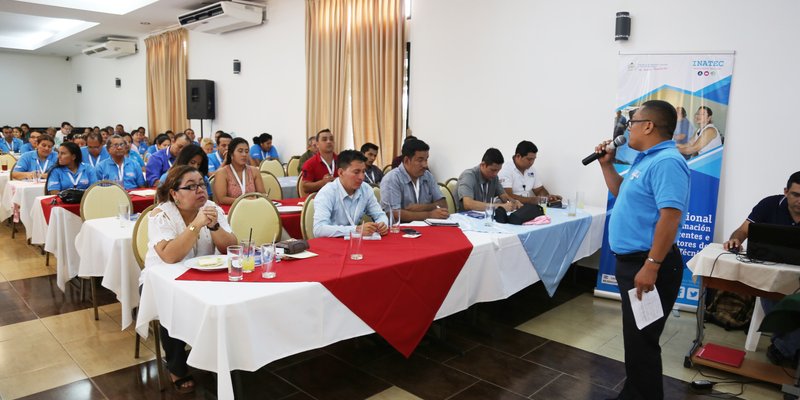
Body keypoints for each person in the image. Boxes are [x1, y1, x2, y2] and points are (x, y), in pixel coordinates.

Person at [594, 99, 689, 400]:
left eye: (632, 122)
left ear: (648, 126)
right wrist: (607, 164)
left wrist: (651, 265)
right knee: (637, 341)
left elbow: (670, 216)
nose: (627, 128)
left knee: (642, 343)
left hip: (647, 265)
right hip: (634, 263)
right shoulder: (646, 159)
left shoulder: (667, 162)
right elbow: (621, 192)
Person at [144, 165, 237, 394]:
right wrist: (197, 223)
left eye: (201, 184)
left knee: (227, 303)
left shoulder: (212, 208)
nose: (199, 190)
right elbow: (169, 255)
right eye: (191, 186)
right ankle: (176, 365)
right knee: (172, 302)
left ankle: (222, 360)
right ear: (175, 194)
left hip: (204, 275)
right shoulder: (160, 214)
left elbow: (230, 246)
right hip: (162, 280)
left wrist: (214, 225)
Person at [722, 171, 800, 367]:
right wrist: (736, 239)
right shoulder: (769, 205)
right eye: (795, 195)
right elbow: (742, 230)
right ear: (785, 192)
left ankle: (784, 349)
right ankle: (787, 349)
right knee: (769, 285)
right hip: (772, 276)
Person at [313, 150, 389, 238]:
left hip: (356, 243)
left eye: (363, 171)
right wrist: (355, 229)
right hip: (332, 243)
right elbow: (318, 229)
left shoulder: (365, 189)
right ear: (341, 172)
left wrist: (382, 224)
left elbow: (380, 214)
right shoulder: (327, 193)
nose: (362, 177)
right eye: (356, 172)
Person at [380, 139, 449, 221]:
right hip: (402, 229)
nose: (425, 165)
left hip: (428, 227)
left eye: (426, 159)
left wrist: (422, 207)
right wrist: (429, 214)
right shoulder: (392, 179)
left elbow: (443, 205)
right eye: (420, 160)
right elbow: (393, 214)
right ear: (406, 160)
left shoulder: (427, 176)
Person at [457, 148, 523, 212]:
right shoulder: (468, 176)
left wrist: (514, 202)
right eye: (493, 170)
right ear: (483, 165)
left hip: (482, 217)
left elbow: (504, 197)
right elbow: (468, 204)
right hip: (463, 218)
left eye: (498, 170)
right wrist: (500, 206)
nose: (495, 174)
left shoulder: (494, 177)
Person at [212, 137, 266, 205]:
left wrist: (257, 199)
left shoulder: (254, 171)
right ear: (231, 154)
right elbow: (222, 199)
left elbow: (262, 194)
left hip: (253, 208)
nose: (244, 154)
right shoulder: (222, 173)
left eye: (246, 151)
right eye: (240, 151)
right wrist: (244, 201)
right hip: (231, 211)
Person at [301, 129, 338, 194]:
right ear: (317, 144)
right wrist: (323, 182)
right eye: (324, 139)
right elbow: (305, 187)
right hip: (319, 200)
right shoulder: (309, 163)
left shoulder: (342, 160)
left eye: (331, 139)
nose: (329, 142)